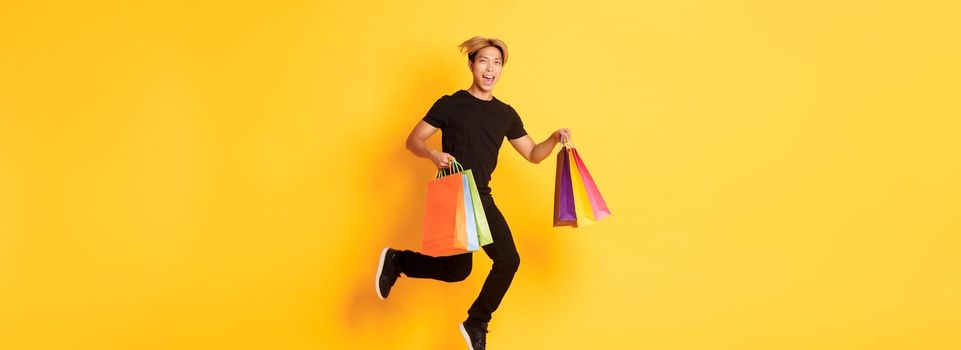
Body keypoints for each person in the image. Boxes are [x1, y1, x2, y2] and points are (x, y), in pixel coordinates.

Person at [375, 36, 571, 350]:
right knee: (482, 265)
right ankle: (467, 312)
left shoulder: (505, 114)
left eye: (496, 63)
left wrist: (553, 138)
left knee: (482, 265)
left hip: (481, 195)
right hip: (456, 194)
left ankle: (408, 268)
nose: (490, 68)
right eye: (483, 61)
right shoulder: (450, 104)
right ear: (471, 65)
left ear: (501, 69)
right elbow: (413, 141)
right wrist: (432, 155)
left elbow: (533, 153)